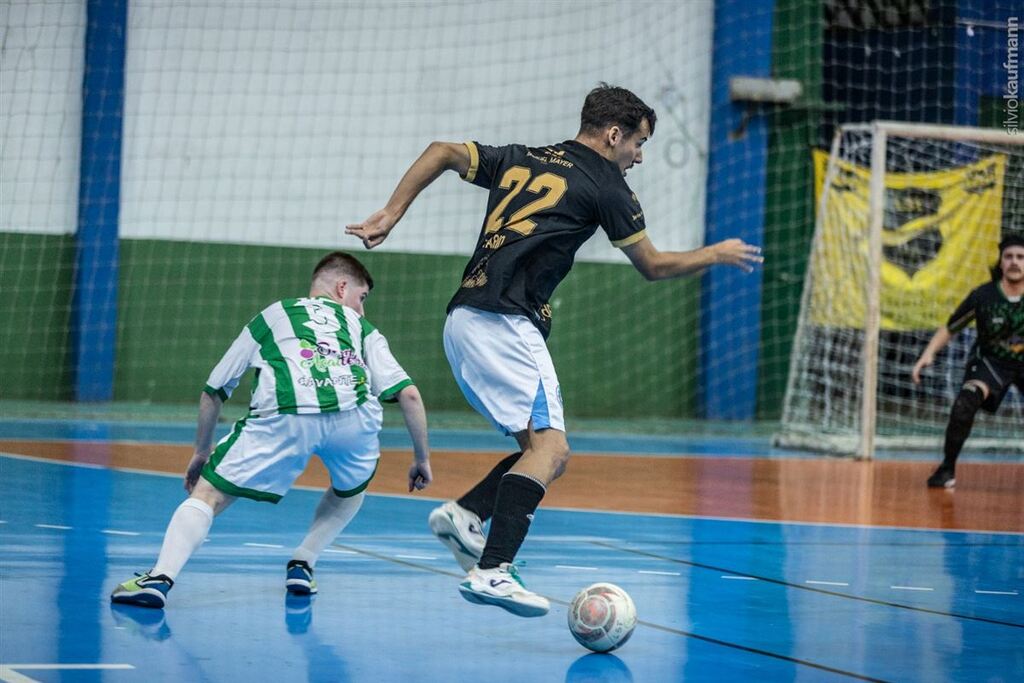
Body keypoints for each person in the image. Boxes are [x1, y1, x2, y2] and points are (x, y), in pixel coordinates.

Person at [345, 84, 762, 618]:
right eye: (639, 143)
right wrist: (715, 253)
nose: (639, 156)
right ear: (614, 135)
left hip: (462, 319)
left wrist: (391, 211)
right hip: (507, 322)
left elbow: (442, 151)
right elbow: (653, 266)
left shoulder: (521, 157)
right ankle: (493, 570)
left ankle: (466, 515)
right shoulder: (607, 185)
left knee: (536, 451)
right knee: (553, 450)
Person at [111, 252, 432, 608]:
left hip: (286, 414)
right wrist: (422, 458)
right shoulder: (363, 329)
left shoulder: (274, 314)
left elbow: (213, 391)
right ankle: (303, 562)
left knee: (208, 495)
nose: (363, 309)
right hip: (353, 419)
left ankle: (160, 578)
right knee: (352, 488)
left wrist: (202, 452)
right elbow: (409, 395)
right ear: (342, 288)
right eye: (362, 297)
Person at [912, 234, 1024, 488]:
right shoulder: (983, 296)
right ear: (1001, 261)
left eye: (1020, 257)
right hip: (991, 362)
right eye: (1009, 256)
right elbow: (950, 327)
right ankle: (947, 469)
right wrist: (927, 354)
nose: (1014, 262)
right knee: (965, 402)